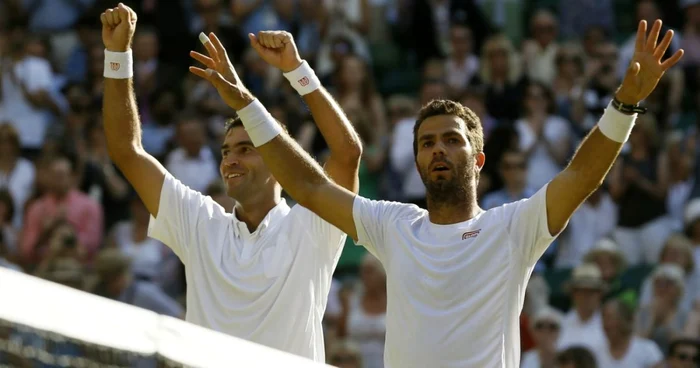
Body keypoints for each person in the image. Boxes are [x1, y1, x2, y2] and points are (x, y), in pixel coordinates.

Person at [195, 18, 683, 368]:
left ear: (479, 159)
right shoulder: (394, 225)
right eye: (427, 142)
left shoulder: (512, 227)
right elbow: (306, 183)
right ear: (417, 161)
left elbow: (580, 177)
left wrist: (625, 106)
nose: (439, 150)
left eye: (453, 139)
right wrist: (260, 91)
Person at [99, 3, 362, 362]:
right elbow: (126, 151)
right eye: (225, 152)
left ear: (277, 160)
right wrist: (117, 55)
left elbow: (347, 153)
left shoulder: (313, 225)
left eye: (245, 149)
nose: (230, 160)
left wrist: (297, 71)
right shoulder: (200, 222)